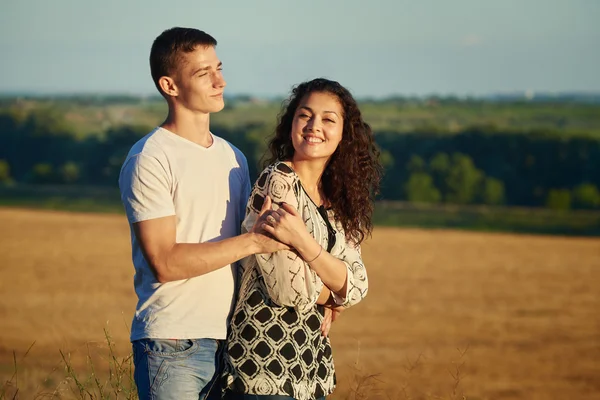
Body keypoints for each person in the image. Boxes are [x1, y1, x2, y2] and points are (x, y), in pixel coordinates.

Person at [118, 27, 287, 400]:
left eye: (219, 68)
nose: (220, 81)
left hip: (235, 342)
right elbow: (165, 262)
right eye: (203, 73)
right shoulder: (150, 158)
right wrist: (253, 241)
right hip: (171, 341)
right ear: (170, 85)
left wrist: (327, 299)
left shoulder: (233, 157)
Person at [223, 78, 383, 400]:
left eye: (328, 119)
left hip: (311, 371)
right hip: (264, 365)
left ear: (344, 133)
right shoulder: (279, 181)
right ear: (291, 123)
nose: (314, 126)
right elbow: (290, 291)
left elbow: (359, 286)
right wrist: (334, 291)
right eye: (304, 115)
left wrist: (302, 242)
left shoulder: (338, 203)